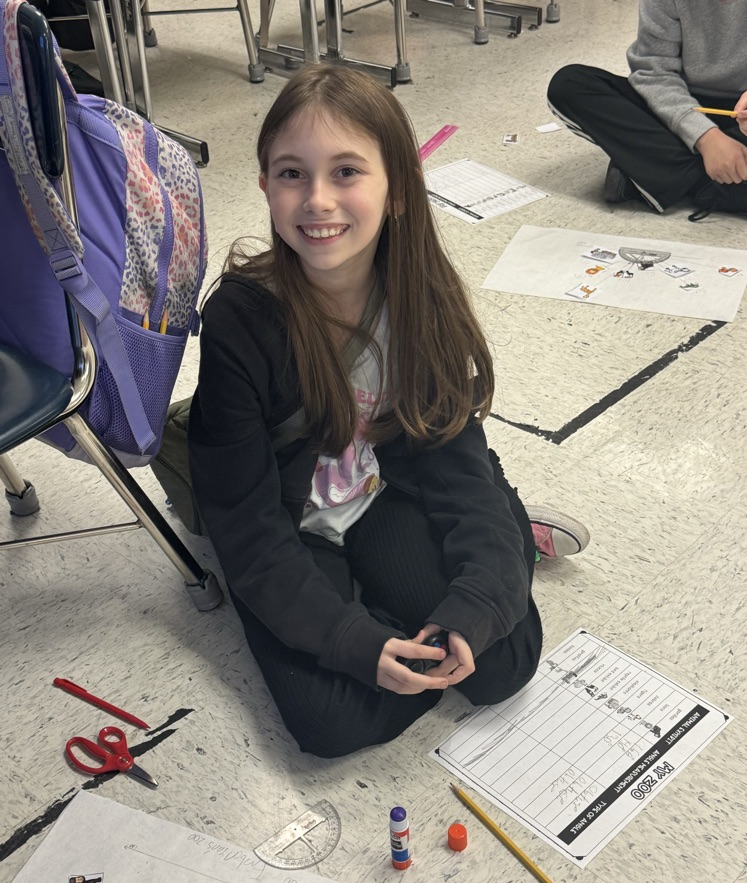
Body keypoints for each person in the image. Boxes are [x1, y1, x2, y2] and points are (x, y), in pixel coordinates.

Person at [188, 64, 589, 759]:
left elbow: (455, 465)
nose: (316, 200)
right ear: (264, 187)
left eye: (347, 172)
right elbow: (243, 524)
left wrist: (473, 604)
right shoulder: (240, 319)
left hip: (387, 486)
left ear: (398, 189)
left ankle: (508, 525)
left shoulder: (417, 296)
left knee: (500, 662)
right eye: (291, 174)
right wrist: (354, 640)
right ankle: (481, 555)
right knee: (330, 724)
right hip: (294, 519)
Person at [547, 0, 747, 221]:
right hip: (680, 105)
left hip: (741, 114)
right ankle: (715, 185)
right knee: (571, 84)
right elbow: (654, 72)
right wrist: (705, 137)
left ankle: (654, 175)